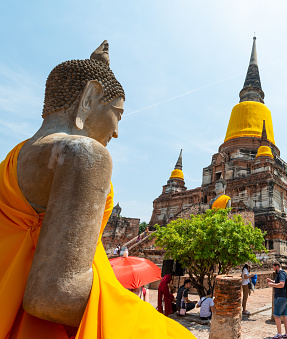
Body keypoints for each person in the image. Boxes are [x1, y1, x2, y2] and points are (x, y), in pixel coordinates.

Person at [0, 41, 193, 338]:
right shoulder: (83, 153)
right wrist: (149, 321)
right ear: (89, 98)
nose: (116, 130)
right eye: (117, 113)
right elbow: (54, 295)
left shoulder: (10, 160)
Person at [267, 261, 287, 339]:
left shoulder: (281, 273)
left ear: (277, 266)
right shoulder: (282, 273)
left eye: (273, 267)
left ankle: (279, 334)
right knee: (284, 315)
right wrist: (272, 281)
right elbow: (279, 282)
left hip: (280, 297)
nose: (273, 269)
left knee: (276, 316)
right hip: (285, 297)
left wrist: (272, 285)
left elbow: (281, 284)